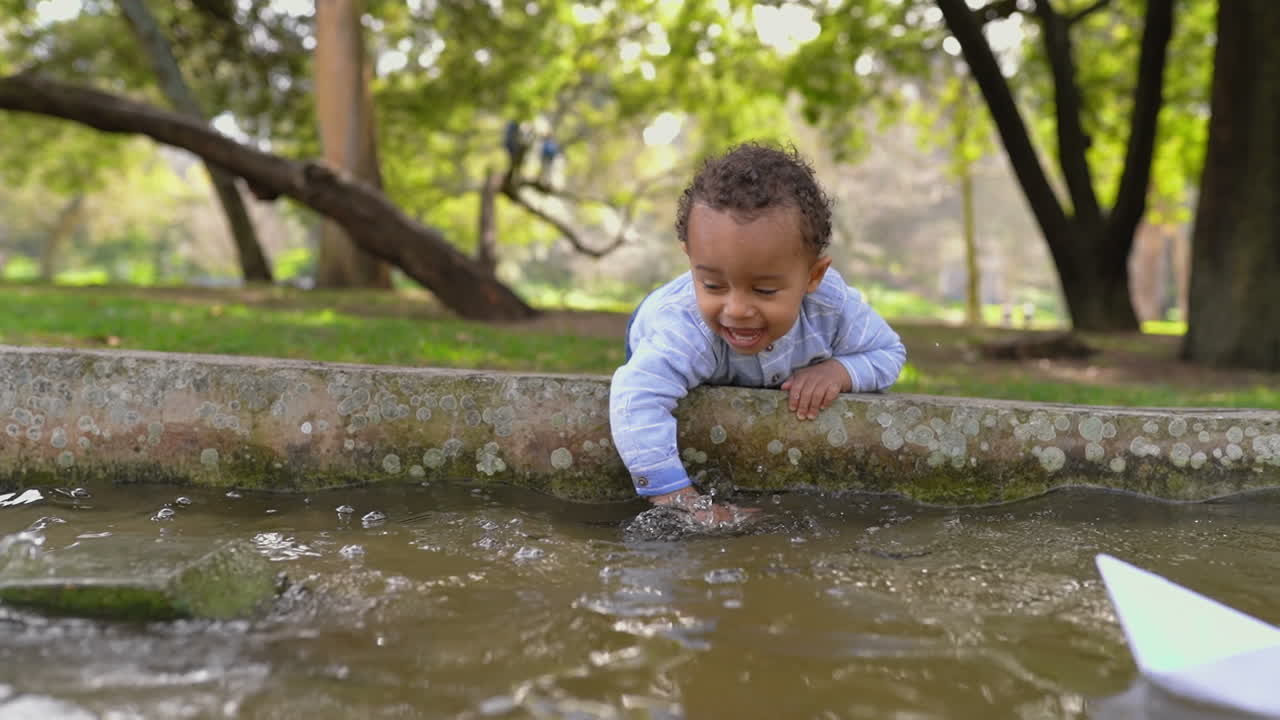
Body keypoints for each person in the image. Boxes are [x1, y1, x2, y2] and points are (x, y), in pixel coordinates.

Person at [609, 142, 908, 527]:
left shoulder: (832, 307)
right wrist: (677, 498)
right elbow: (636, 398)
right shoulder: (683, 329)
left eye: (765, 290)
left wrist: (838, 371)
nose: (736, 309)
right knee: (657, 373)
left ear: (813, 276)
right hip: (650, 324)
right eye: (713, 284)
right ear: (690, 260)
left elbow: (888, 352)